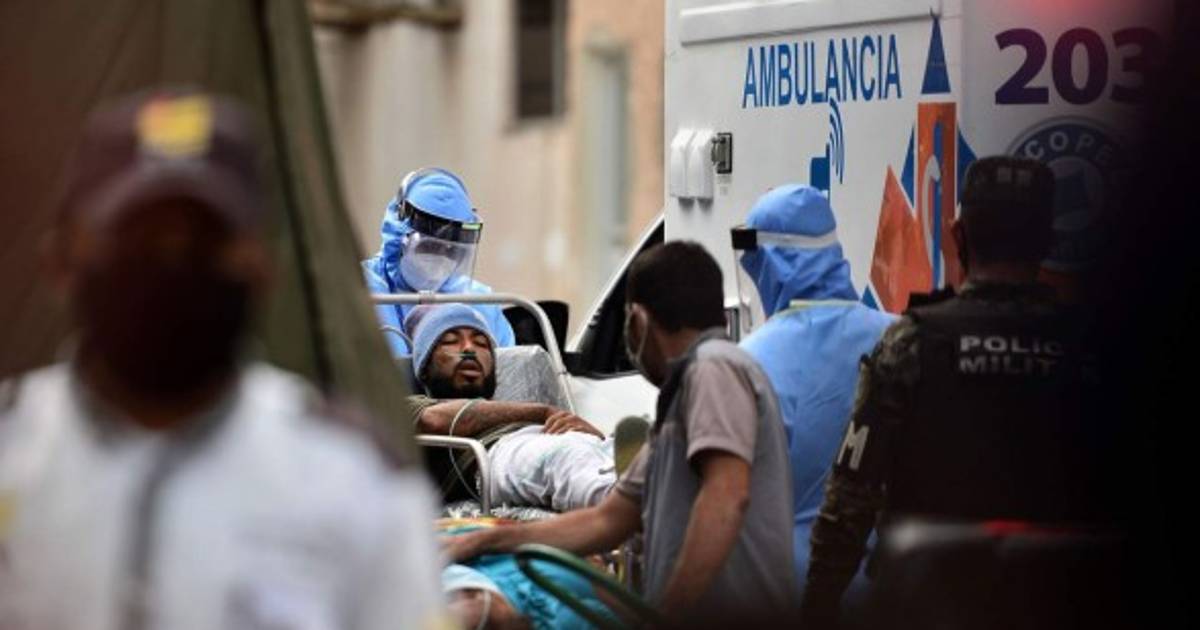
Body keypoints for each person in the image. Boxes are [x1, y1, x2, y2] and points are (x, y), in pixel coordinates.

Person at [0, 90, 446, 630]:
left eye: (202, 242)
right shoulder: (12, 453)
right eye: (138, 238)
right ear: (61, 260)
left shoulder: (350, 478)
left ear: (262, 267)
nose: (170, 263)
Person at [800, 156, 1106, 625]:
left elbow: (848, 503)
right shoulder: (1092, 351)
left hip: (929, 605)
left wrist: (817, 609)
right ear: (1049, 243)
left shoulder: (913, 343)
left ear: (958, 237)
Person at [445, 242, 797, 625]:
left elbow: (726, 496)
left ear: (638, 321)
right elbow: (606, 520)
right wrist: (485, 539)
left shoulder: (715, 367)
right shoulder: (677, 409)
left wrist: (668, 613)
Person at [733, 185, 895, 592]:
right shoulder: (899, 336)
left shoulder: (747, 361)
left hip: (795, 589)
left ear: (770, 265)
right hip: (891, 588)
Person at [406, 303, 620, 512]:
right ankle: (624, 505)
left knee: (614, 452)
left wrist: (591, 434)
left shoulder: (511, 410)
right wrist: (542, 412)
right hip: (495, 456)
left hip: (556, 440)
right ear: (424, 367)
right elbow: (434, 421)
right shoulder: (410, 405)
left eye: (481, 344)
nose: (469, 349)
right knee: (565, 460)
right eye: (450, 342)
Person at [361, 166, 516, 357]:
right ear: (398, 234)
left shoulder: (480, 303)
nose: (441, 258)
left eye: (452, 251)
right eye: (429, 247)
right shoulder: (361, 289)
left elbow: (507, 368)